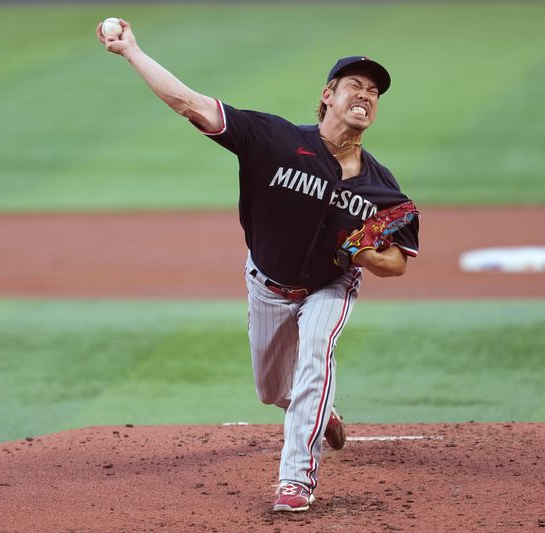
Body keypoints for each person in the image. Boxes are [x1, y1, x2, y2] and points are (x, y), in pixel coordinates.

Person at [97, 19, 419, 513]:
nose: (366, 95)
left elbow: (397, 261)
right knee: (272, 391)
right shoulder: (274, 140)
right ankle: (320, 412)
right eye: (355, 85)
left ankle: (296, 479)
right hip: (267, 283)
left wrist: (366, 254)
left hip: (330, 287)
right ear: (328, 95)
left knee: (316, 354)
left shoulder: (381, 186)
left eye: (374, 91)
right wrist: (132, 52)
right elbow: (190, 102)